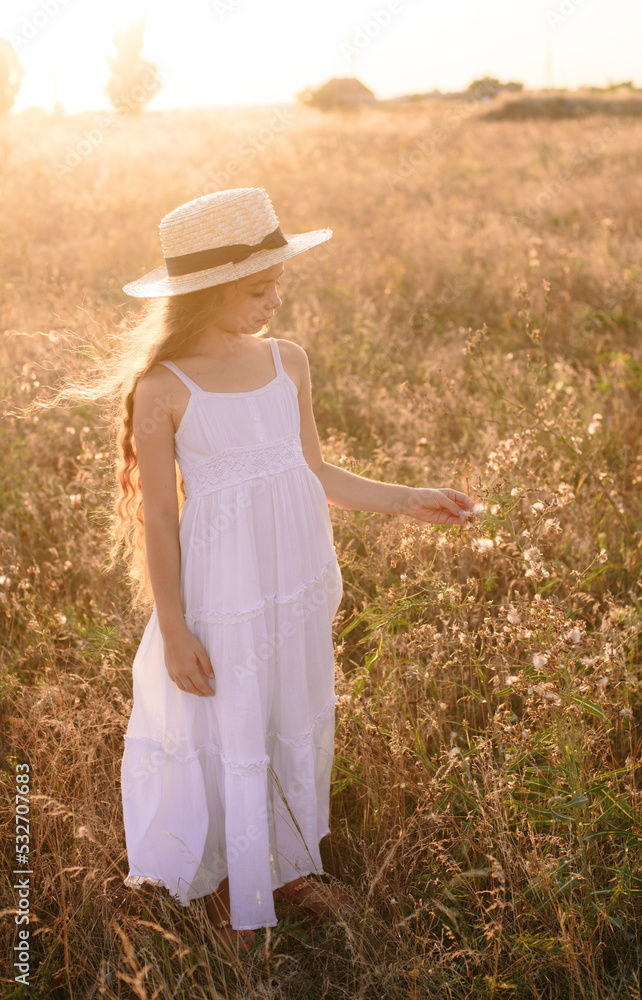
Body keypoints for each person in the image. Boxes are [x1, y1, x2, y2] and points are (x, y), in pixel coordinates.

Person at [102, 188, 477, 955]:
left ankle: (287, 868)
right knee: (229, 725)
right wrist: (174, 630)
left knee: (287, 715)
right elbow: (161, 521)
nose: (275, 300)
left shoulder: (288, 362)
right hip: (224, 596)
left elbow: (312, 471)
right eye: (256, 289)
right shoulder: (164, 387)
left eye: (279, 284)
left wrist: (411, 498)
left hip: (292, 584)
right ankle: (231, 887)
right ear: (204, 293)